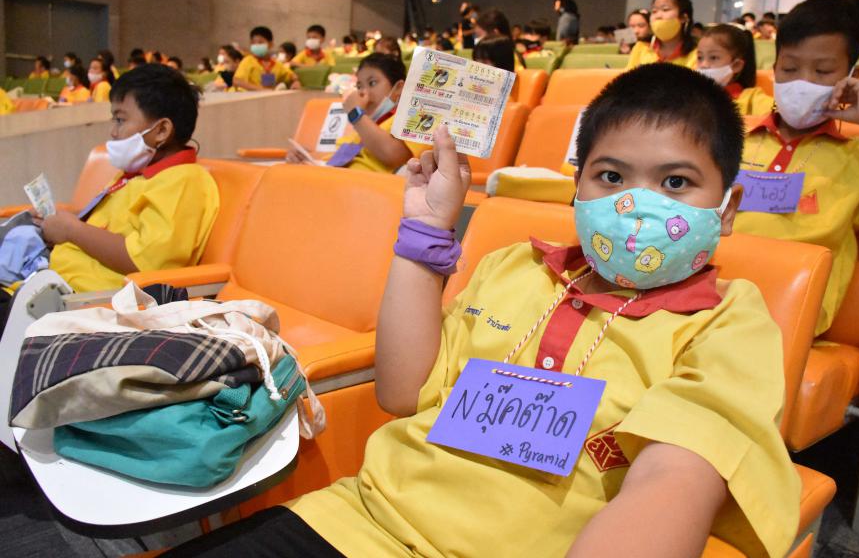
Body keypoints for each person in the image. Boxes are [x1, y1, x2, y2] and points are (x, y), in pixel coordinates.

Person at [163, 63, 800, 558]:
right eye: (610, 177)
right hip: (356, 522)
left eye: (675, 183)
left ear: (728, 206)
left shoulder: (728, 320)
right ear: (577, 186)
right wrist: (425, 229)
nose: (636, 205)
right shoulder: (515, 267)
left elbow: (673, 481)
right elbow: (403, 391)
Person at [732, 0, 859, 335]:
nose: (801, 82)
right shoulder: (734, 137)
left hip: (784, 316)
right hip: (707, 294)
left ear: (852, 77)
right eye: (789, 69)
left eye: (822, 72)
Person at [37, 64, 219, 293]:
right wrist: (60, 224)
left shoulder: (183, 181)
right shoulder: (135, 175)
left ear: (162, 130)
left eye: (120, 120)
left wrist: (72, 231)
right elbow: (103, 230)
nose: (113, 131)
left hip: (88, 299)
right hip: (53, 282)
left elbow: (146, 262)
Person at [286, 53, 425, 173]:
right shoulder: (360, 131)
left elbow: (394, 156)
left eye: (372, 83)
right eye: (359, 86)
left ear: (399, 88)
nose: (363, 92)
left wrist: (356, 114)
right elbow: (331, 164)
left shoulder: (417, 116)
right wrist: (304, 161)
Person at [696, 24, 773, 116]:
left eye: (713, 57)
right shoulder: (691, 96)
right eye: (700, 57)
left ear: (736, 65)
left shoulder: (752, 98)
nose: (703, 65)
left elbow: (779, 113)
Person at [627, 0, 698, 69]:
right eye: (654, 11)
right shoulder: (641, 47)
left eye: (665, 9)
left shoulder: (696, 53)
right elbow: (628, 75)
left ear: (683, 18)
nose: (658, 16)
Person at [234, 26, 298, 90]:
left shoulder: (277, 64)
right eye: (253, 43)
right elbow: (237, 81)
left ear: (270, 44)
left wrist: (296, 82)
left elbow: (292, 76)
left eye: (260, 42)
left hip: (269, 95)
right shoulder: (248, 60)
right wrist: (260, 89)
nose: (256, 45)